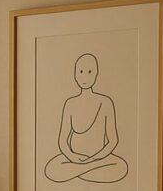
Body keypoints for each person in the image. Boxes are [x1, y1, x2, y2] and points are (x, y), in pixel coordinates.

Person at [43, 53, 128, 183]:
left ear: (96, 74)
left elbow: (113, 140)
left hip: (99, 159)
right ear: (75, 74)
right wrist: (72, 156)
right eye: (81, 71)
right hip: (73, 159)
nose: (85, 77)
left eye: (89, 71)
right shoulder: (70, 104)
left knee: (121, 167)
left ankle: (77, 172)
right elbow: (62, 140)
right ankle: (86, 170)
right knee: (50, 169)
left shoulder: (105, 102)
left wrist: (94, 158)